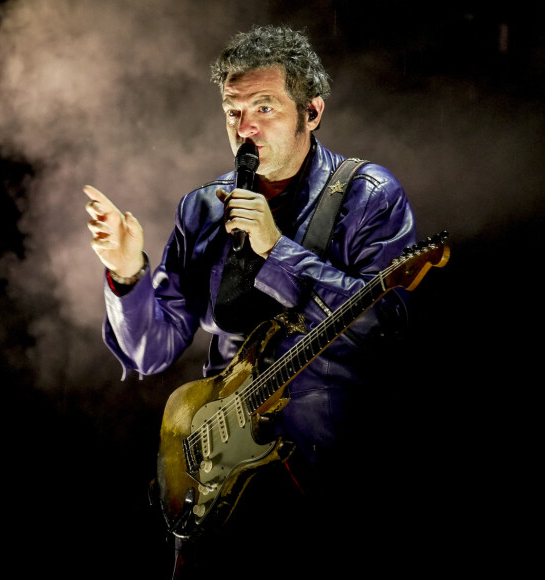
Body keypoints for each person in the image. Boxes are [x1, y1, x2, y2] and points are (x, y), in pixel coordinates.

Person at [85, 25, 417, 579]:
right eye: (233, 111)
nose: (246, 128)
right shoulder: (203, 208)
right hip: (220, 473)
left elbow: (389, 324)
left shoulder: (368, 194)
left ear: (311, 112)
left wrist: (279, 251)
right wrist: (126, 274)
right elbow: (151, 352)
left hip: (328, 472)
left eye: (264, 107)